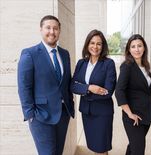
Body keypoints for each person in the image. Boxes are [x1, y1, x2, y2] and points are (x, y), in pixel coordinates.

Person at [17, 15, 74, 155]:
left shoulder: (64, 54)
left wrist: (70, 104)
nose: (52, 32)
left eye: (55, 28)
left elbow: (66, 82)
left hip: (63, 114)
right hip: (40, 116)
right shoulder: (29, 54)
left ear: (59, 31)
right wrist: (30, 115)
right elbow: (24, 87)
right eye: (48, 28)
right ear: (41, 30)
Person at [70, 29, 116, 155]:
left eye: (99, 44)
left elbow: (108, 91)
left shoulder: (108, 64)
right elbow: (72, 85)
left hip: (102, 113)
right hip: (87, 111)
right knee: (93, 146)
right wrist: (89, 88)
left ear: (103, 46)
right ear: (87, 44)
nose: (95, 46)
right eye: (92, 43)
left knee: (101, 148)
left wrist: (83, 90)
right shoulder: (81, 63)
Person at [115, 34, 151, 155]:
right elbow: (119, 91)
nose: (137, 49)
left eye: (139, 46)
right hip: (133, 117)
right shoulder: (127, 66)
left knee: (134, 147)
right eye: (133, 46)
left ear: (144, 48)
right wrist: (129, 113)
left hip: (146, 114)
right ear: (129, 50)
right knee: (138, 150)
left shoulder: (145, 66)